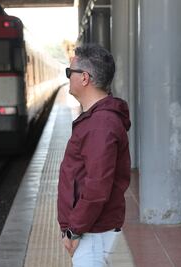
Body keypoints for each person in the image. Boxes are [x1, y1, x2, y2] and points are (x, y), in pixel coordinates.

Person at [57, 43, 131, 267]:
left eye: (70, 72)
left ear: (85, 78)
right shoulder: (98, 119)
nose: (68, 77)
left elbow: (97, 186)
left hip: (93, 233)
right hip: (92, 229)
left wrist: (74, 230)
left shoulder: (101, 124)